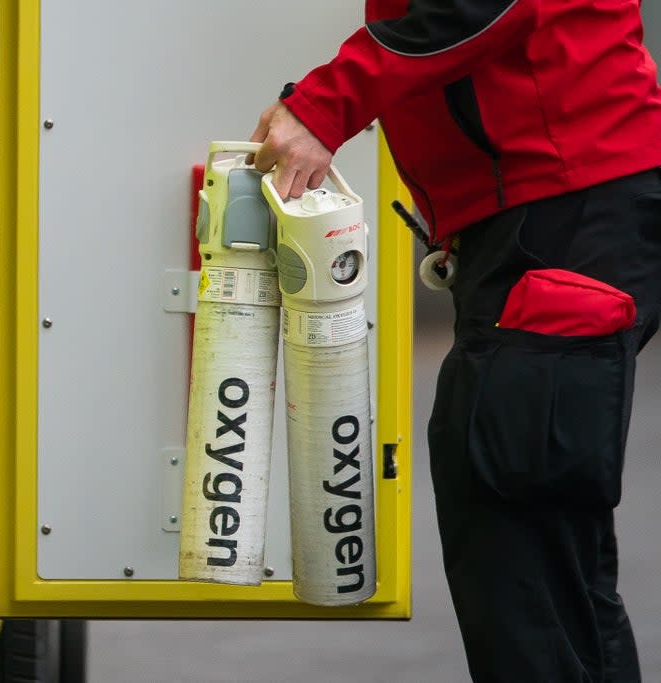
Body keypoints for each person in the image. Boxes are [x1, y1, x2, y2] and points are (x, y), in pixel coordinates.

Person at [249, 2, 661, 681]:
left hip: (566, 202)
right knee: (546, 548)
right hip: (545, 211)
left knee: (515, 523)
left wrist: (329, 102)